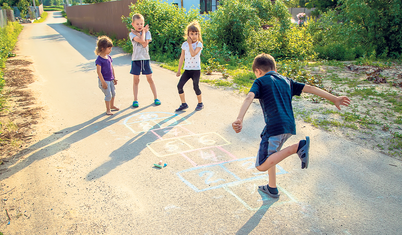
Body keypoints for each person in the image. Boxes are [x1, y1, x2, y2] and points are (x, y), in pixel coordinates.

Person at [232, 54, 350, 198]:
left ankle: (297, 147)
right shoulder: (286, 80)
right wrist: (334, 98)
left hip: (275, 126)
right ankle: (272, 187)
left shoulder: (261, 81)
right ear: (275, 68)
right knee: (272, 154)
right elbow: (311, 88)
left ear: (258, 71)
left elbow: (249, 96)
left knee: (261, 165)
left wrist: (239, 118)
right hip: (288, 126)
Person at [129, 13, 161, 107]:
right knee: (136, 80)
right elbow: (142, 40)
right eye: (137, 24)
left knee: (150, 78)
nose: (140, 26)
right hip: (136, 59)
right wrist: (143, 32)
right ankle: (135, 99)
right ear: (133, 24)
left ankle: (156, 97)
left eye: (141, 24)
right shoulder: (132, 34)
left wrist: (142, 33)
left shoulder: (148, 33)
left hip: (145, 59)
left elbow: (144, 44)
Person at [175, 20, 204, 112]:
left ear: (198, 35)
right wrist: (179, 70)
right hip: (187, 70)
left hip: (196, 70)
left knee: (195, 87)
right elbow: (182, 57)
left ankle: (200, 103)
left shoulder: (199, 44)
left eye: (196, 34)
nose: (194, 36)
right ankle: (184, 104)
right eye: (192, 34)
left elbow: (193, 54)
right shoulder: (184, 45)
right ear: (188, 34)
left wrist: (190, 44)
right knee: (179, 86)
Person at [95, 36, 119, 115]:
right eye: (109, 49)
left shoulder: (108, 57)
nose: (110, 50)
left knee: (113, 93)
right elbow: (99, 72)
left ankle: (112, 106)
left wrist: (114, 78)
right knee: (108, 95)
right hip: (104, 80)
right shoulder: (99, 59)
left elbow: (111, 68)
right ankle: (108, 110)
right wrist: (103, 82)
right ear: (102, 48)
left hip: (110, 79)